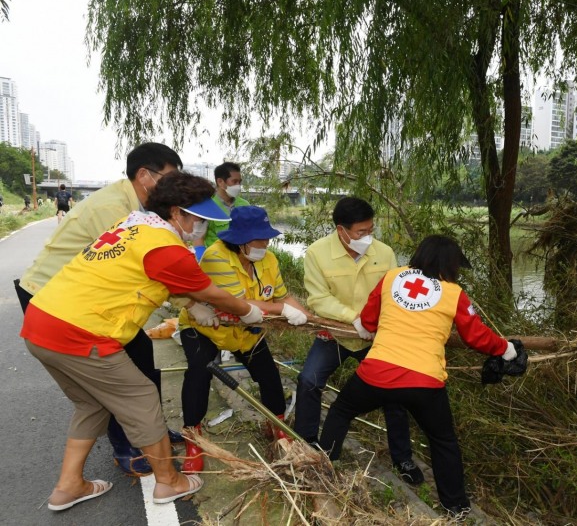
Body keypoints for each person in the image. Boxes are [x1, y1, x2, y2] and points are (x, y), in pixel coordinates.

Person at [19, 171, 268, 511]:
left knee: (92, 404)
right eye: (198, 218)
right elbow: (210, 291)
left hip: (41, 321)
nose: (202, 227)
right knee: (141, 396)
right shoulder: (165, 245)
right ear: (176, 212)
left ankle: (69, 485)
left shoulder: (134, 225)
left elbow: (170, 283)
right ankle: (168, 480)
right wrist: (248, 311)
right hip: (80, 332)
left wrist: (194, 305)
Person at [14, 142, 188, 475]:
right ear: (144, 176)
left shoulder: (134, 204)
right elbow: (143, 266)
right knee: (111, 378)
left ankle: (150, 435)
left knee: (142, 359)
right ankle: (129, 449)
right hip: (51, 296)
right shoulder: (116, 209)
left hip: (78, 299)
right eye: (170, 179)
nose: (174, 189)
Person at [318, 235, 519, 519]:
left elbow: (368, 320)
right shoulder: (453, 293)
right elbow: (475, 336)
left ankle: (324, 470)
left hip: (376, 374)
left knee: (340, 411)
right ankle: (456, 508)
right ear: (449, 264)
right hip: (423, 382)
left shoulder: (392, 277)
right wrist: (505, 348)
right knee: (443, 442)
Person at [294, 197, 422, 484]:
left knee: (395, 393)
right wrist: (353, 318)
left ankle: (402, 458)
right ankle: (305, 445)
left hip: (376, 338)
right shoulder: (317, 253)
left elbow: (394, 291)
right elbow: (318, 298)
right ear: (341, 230)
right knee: (309, 381)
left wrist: (378, 324)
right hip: (336, 334)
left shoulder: (384, 252)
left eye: (370, 230)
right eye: (360, 232)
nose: (367, 237)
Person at [178, 205, 312, 472]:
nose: (266, 242)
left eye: (267, 237)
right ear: (238, 241)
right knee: (199, 372)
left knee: (269, 376)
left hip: (246, 333)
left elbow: (282, 295)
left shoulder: (268, 259)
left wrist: (303, 313)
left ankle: (278, 427)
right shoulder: (216, 258)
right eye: (259, 238)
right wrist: (282, 310)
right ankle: (193, 438)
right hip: (207, 327)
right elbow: (237, 305)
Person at [194, 162, 250, 255]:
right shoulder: (207, 206)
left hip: (241, 259)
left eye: (239, 182)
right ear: (220, 182)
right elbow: (198, 237)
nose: (238, 186)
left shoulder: (245, 205)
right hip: (217, 260)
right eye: (234, 181)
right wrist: (201, 257)